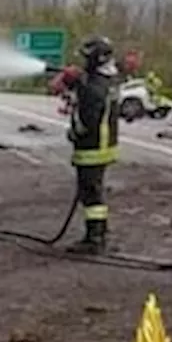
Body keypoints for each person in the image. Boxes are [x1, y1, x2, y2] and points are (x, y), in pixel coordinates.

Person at [66, 35, 121, 255]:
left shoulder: (92, 87)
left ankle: (94, 238)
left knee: (91, 194)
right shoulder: (109, 80)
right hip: (105, 145)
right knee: (94, 190)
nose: (84, 62)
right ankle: (101, 232)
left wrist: (73, 133)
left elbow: (86, 120)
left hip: (92, 147)